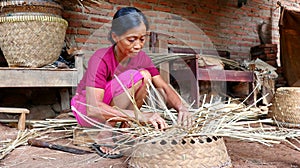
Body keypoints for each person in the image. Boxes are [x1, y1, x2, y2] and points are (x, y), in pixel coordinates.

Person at [71, 6, 191, 158]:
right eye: (131, 39)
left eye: (142, 39)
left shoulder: (141, 58)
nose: (138, 45)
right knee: (135, 76)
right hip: (87, 113)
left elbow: (163, 86)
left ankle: (125, 129)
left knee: (145, 76)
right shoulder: (100, 58)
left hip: (113, 111)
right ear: (115, 37)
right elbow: (93, 108)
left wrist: (182, 108)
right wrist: (141, 116)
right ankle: (105, 134)